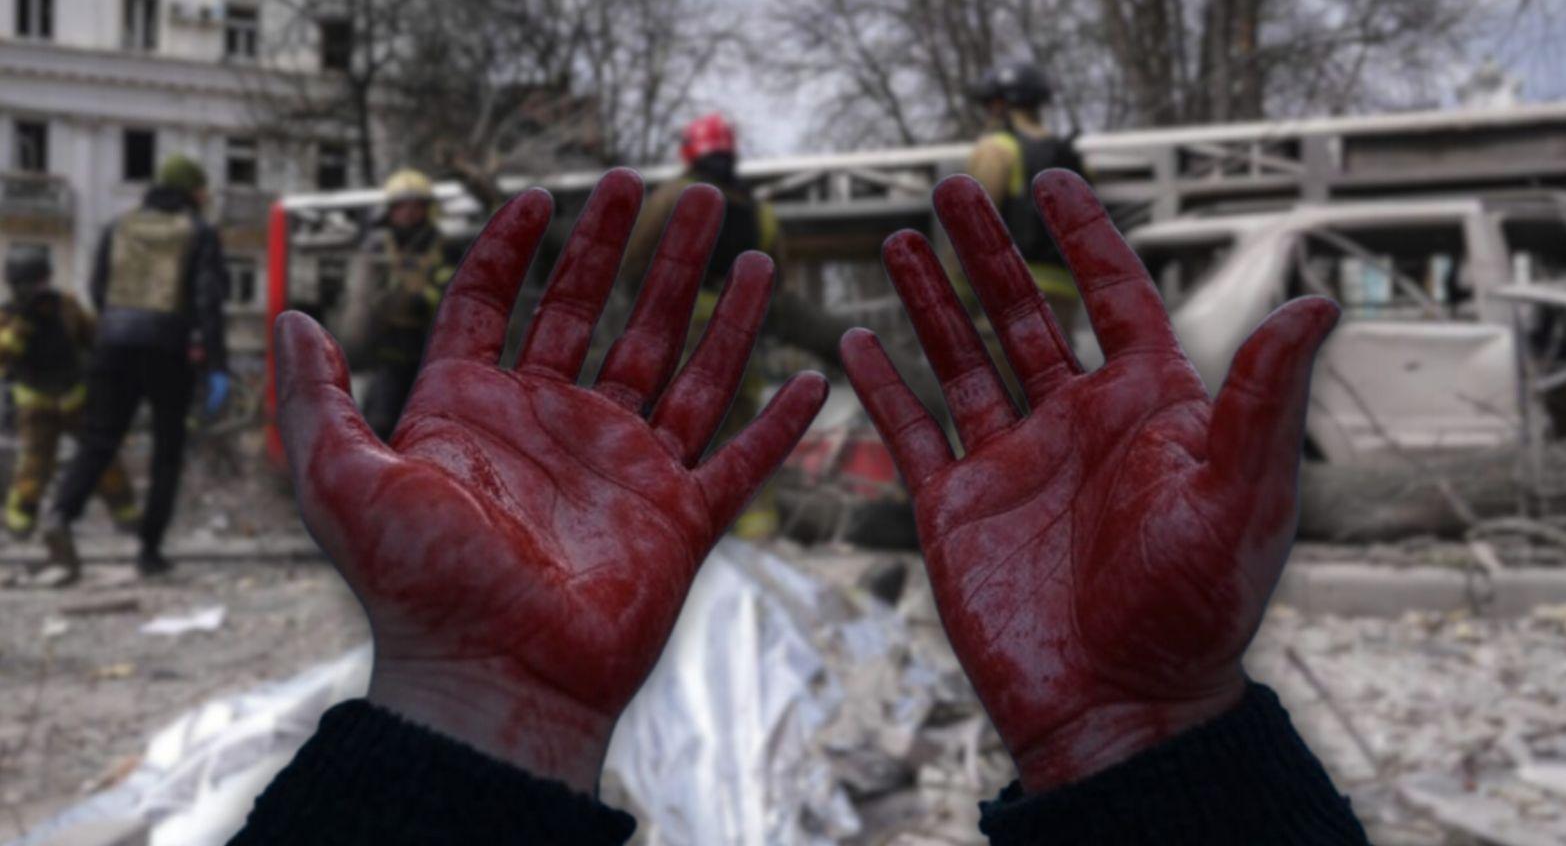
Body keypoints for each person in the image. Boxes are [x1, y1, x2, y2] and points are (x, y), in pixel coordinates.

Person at [232, 167, 1369, 844]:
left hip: (657, 399)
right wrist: (1152, 741)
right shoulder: (740, 219)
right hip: (642, 402)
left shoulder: (673, 220)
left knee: (713, 443)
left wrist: (471, 710)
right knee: (709, 441)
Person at [621, 112, 843, 536]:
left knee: (673, 432)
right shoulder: (760, 212)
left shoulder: (672, 196)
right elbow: (777, 275)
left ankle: (666, 531)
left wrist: (644, 310)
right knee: (741, 433)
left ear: (691, 151)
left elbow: (634, 260)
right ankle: (756, 531)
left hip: (683, 332)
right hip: (739, 334)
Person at [43, 154, 229, 583]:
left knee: (99, 439)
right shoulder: (199, 231)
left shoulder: (119, 226)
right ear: (191, 191)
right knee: (167, 450)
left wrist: (117, 326)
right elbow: (208, 302)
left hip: (113, 344)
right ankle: (150, 552)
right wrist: (217, 364)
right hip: (168, 348)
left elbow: (97, 288)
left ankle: (60, 514)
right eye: (203, 189)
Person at [0, 245, 136, 540]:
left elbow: (95, 340)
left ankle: (128, 517)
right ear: (15, 284)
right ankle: (19, 525)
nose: (37, 291)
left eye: (40, 282)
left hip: (77, 400)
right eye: (29, 284)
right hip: (36, 407)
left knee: (103, 459)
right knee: (34, 468)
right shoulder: (8, 317)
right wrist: (19, 329)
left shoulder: (67, 306)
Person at [964, 62, 1090, 340]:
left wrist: (955, 299)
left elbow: (968, 231)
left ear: (998, 104)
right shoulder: (1069, 157)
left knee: (1001, 366)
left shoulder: (996, 150)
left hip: (1012, 292)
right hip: (1065, 295)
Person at [337, 168, 456, 442]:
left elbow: (451, 289)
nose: (409, 213)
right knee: (379, 422)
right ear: (391, 210)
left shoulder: (444, 247)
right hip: (386, 352)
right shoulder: (377, 246)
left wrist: (422, 300)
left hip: (431, 351)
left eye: (416, 206)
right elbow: (361, 295)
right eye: (402, 206)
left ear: (427, 209)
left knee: (431, 428)